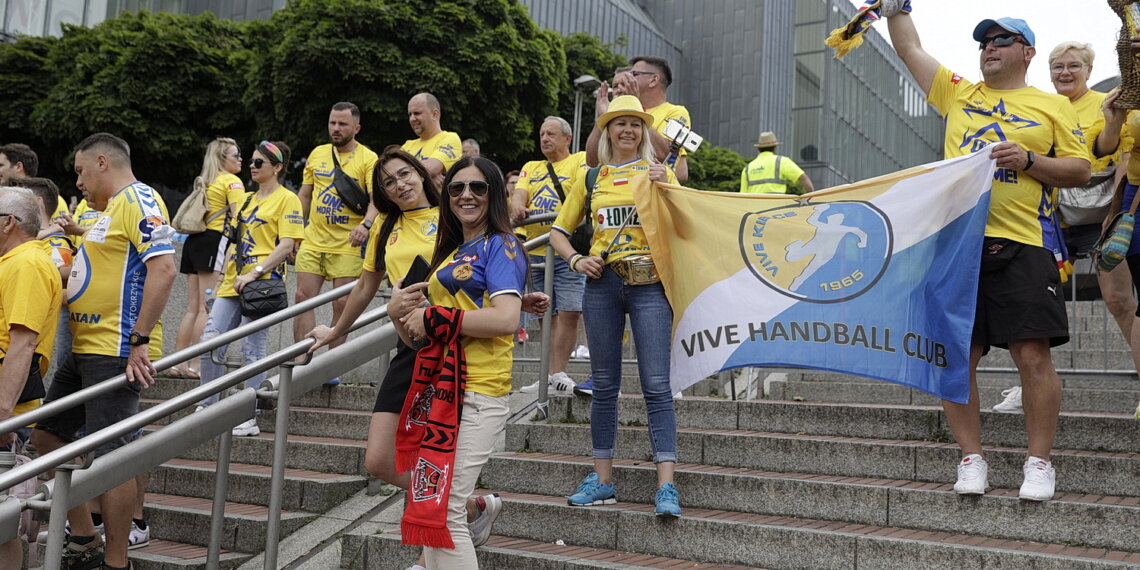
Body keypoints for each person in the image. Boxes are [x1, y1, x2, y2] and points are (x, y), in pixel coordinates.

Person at [885, 13, 1091, 501]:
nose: (989, 48)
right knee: (959, 357)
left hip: (1026, 243)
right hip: (956, 245)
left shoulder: (1052, 106)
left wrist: (1030, 161)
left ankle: (1039, 463)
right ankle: (970, 457)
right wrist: (897, 7)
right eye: (983, 42)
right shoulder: (960, 92)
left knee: (1032, 356)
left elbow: (1081, 170)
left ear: (1027, 53)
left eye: (1003, 40)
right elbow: (910, 48)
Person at [31, 132, 177, 569]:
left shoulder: (139, 199)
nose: (76, 183)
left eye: (79, 172)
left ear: (101, 162)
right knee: (48, 437)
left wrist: (139, 340)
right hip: (83, 348)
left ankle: (116, 561)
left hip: (114, 348)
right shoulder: (106, 210)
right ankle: (84, 536)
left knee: (114, 458)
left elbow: (165, 269)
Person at [387, 156, 527, 567]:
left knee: (445, 509)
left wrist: (435, 315)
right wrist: (398, 312)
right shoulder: (449, 255)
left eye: (478, 188)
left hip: (478, 392)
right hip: (442, 395)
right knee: (432, 506)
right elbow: (417, 339)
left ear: (495, 194)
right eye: (456, 188)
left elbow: (505, 318)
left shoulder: (501, 244)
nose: (466, 195)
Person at [548, 95, 682, 516]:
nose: (628, 130)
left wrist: (670, 184)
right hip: (602, 284)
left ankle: (666, 486)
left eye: (635, 124)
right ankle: (603, 479)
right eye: (619, 123)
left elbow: (687, 222)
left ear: (645, 132)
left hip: (651, 285)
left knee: (657, 385)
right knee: (604, 385)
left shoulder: (659, 173)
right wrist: (574, 258)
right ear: (607, 131)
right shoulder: (591, 177)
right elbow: (557, 231)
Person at [994, 41, 1128, 414]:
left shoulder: (1105, 102)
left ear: (1088, 69)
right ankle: (1028, 388)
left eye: (1073, 66)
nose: (1065, 73)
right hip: (1045, 216)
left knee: (1119, 301)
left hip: (1098, 213)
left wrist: (1117, 210)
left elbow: (1112, 150)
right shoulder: (1037, 104)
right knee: (1027, 306)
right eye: (1057, 67)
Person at [197, 141, 304, 437]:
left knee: (252, 350)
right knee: (209, 342)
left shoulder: (288, 199)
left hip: (262, 283)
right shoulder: (245, 199)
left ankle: (248, 414)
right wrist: (219, 282)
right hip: (234, 280)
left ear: (277, 167)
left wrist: (256, 272)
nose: (252, 167)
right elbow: (232, 243)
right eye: (252, 162)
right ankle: (208, 405)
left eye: (259, 163)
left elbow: (286, 246)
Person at [294, 102, 379, 385]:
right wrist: (297, 230)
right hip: (314, 240)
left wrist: (365, 226)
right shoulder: (318, 154)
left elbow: (377, 199)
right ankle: (302, 361)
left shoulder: (368, 158)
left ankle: (330, 367)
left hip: (347, 244)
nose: (335, 129)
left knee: (342, 304)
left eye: (342, 124)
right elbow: (305, 195)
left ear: (356, 128)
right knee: (302, 299)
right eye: (332, 123)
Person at [0, 187, 61, 568]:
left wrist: (5, 413)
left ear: (8, 223)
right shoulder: (15, 262)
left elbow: (23, 343)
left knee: (3, 524)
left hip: (7, 408)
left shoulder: (27, 264)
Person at [511, 116, 588, 395]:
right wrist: (519, 207)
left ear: (567, 138)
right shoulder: (531, 167)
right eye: (542, 133)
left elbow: (583, 194)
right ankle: (547, 375)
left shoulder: (579, 160)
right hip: (538, 250)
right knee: (545, 313)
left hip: (567, 248)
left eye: (551, 134)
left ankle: (558, 372)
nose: (544, 138)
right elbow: (519, 194)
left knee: (569, 311)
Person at [171, 138, 245, 380]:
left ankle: (179, 362)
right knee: (208, 307)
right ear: (223, 159)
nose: (241, 159)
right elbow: (239, 219)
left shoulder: (208, 181)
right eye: (236, 155)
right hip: (215, 242)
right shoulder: (232, 181)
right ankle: (197, 364)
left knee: (192, 308)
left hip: (194, 242)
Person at [585, 56, 691, 183]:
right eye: (615, 85)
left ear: (653, 80)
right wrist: (603, 118)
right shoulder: (615, 114)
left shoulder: (675, 112)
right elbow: (592, 161)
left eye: (633, 75)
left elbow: (665, 156)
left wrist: (636, 106)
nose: (619, 89)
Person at [402, 93, 462, 187]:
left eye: (417, 113)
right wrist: (427, 176)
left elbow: (431, 168)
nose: (412, 119)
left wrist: (407, 172)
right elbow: (391, 173)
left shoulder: (450, 138)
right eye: (410, 114)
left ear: (434, 114)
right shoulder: (407, 146)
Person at [0, 143, 68, 219]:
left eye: (0, 165)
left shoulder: (51, 200)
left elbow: (62, 229)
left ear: (18, 167)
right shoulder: (5, 200)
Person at [740, 131, 816, 195]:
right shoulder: (782, 161)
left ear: (759, 148)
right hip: (776, 209)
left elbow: (742, 196)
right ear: (774, 148)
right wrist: (812, 198)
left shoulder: (747, 168)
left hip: (754, 210)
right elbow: (803, 178)